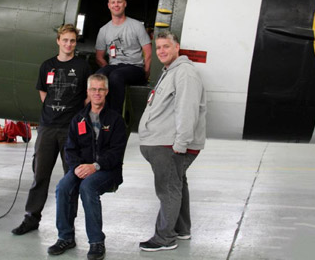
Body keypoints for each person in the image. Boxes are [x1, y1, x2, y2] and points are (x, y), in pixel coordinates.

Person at [12, 23, 91, 235]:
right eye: (65, 40)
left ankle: (68, 224)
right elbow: (43, 94)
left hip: (70, 131)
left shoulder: (83, 67)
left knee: (71, 178)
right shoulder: (47, 66)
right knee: (40, 175)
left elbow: (87, 97)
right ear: (58, 41)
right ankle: (31, 218)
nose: (68, 44)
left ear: (76, 43)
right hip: (47, 128)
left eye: (72, 41)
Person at [137, 31, 206, 251]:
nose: (162, 51)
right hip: (163, 143)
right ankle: (182, 229)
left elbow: (187, 109)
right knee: (177, 185)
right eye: (158, 48)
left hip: (169, 145)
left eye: (166, 46)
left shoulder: (184, 73)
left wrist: (180, 143)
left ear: (177, 47)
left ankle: (164, 238)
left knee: (168, 189)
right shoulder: (170, 72)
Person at [47, 74, 127, 260]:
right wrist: (76, 168)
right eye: (93, 89)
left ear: (106, 92)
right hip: (82, 168)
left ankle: (96, 242)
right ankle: (65, 237)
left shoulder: (115, 120)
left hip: (108, 171)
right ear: (88, 92)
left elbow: (116, 153)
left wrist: (95, 166)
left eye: (100, 90)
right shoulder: (78, 120)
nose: (97, 93)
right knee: (63, 186)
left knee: (88, 187)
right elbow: (70, 148)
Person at [94, 0, 152, 113]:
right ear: (108, 5)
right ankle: (98, 113)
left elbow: (148, 52)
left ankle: (115, 117)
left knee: (116, 76)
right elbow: (99, 57)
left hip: (134, 67)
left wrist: (146, 72)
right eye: (113, 2)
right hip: (115, 66)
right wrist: (107, 69)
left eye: (119, 1)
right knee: (99, 76)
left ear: (125, 4)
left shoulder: (136, 26)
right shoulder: (104, 30)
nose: (116, 5)